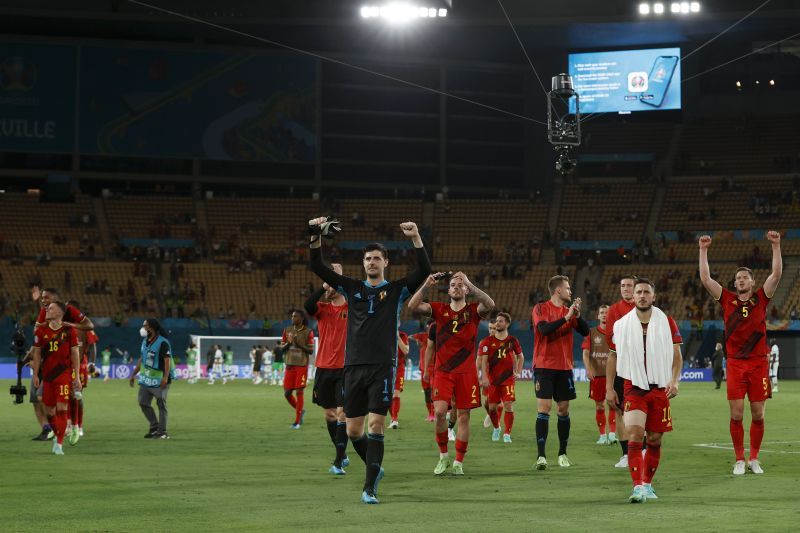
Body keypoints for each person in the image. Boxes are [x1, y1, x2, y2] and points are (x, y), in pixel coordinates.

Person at [308, 216, 430, 504]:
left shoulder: (398, 290)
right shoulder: (351, 288)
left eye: (377, 258)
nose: (372, 262)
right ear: (363, 264)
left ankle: (369, 487)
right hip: (352, 367)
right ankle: (375, 468)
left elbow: (424, 269)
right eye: (368, 259)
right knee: (353, 430)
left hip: (383, 367)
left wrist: (415, 238)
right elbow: (317, 266)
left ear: (385, 262)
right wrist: (314, 235)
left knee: (376, 424)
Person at [699, 231, 781, 475]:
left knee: (758, 414)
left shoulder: (761, 299)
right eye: (738, 278)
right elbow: (705, 278)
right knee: (736, 413)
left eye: (745, 277)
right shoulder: (727, 300)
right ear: (734, 284)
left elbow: (776, 273)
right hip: (735, 363)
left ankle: (754, 458)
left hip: (758, 363)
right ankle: (739, 459)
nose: (742, 280)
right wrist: (703, 249)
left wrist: (776, 245)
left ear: (753, 282)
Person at [408, 271, 494, 476]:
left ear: (466, 290)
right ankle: (443, 456)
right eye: (453, 284)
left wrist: (469, 283)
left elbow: (490, 304)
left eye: (460, 284)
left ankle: (458, 461)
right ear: (448, 290)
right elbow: (412, 306)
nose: (456, 286)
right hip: (443, 371)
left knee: (464, 417)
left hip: (466, 372)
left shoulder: (473, 311)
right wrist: (427, 284)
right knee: (439, 412)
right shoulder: (439, 309)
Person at [606, 278, 682, 503]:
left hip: (659, 387)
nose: (641, 295)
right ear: (634, 296)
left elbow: (677, 355)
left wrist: (674, 380)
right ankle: (637, 486)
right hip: (634, 387)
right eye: (638, 292)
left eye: (646, 292)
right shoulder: (621, 325)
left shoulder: (667, 322)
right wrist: (610, 388)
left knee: (655, 439)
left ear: (653, 296)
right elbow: (613, 356)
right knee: (635, 435)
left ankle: (648, 484)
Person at [531, 275, 590, 470]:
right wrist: (566, 317)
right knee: (544, 409)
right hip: (544, 366)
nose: (570, 291)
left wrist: (577, 315)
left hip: (564, 368)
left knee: (563, 410)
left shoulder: (570, 311)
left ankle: (562, 453)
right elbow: (544, 330)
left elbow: (586, 331)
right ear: (558, 290)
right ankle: (541, 456)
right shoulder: (540, 308)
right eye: (567, 288)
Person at [304, 265, 350, 473]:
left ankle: (339, 460)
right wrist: (325, 284)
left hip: (344, 369)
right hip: (323, 369)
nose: (328, 289)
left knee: (342, 414)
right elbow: (308, 304)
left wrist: (338, 279)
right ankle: (343, 453)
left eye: (332, 286)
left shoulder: (351, 308)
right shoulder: (322, 309)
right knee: (330, 415)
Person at [30, 301, 82, 455]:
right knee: (49, 410)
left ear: (59, 313)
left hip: (63, 375)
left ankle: (59, 443)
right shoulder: (41, 331)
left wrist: (77, 376)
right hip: (47, 376)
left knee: (61, 409)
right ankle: (57, 433)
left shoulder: (69, 331)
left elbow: (75, 354)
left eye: (51, 308)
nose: (48, 309)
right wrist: (35, 374)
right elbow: (37, 354)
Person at [605, 276, 636, 468]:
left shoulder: (645, 309)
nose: (626, 289)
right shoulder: (614, 310)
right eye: (622, 285)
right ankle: (626, 454)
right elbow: (612, 347)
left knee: (643, 410)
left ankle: (640, 449)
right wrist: (609, 387)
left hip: (643, 368)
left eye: (629, 286)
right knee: (620, 411)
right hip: (622, 368)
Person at [479, 312, 523, 443]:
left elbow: (521, 356)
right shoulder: (487, 341)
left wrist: (518, 372)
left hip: (508, 379)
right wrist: (485, 377)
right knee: (491, 408)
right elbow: (483, 361)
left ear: (507, 324)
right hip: (493, 380)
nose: (497, 323)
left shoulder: (512, 341)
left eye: (501, 321)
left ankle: (507, 434)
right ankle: (497, 428)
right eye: (497, 321)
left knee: (508, 405)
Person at [129, 318, 174, 439]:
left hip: (160, 379)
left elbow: (167, 361)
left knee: (161, 404)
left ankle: (163, 432)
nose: (142, 328)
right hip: (147, 379)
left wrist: (165, 378)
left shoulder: (163, 343)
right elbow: (141, 359)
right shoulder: (145, 341)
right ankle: (154, 427)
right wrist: (133, 374)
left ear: (152, 328)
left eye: (145, 326)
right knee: (143, 402)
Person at [582, 305, 616, 445]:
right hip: (597, 377)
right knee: (600, 406)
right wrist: (588, 368)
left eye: (607, 313)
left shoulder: (616, 333)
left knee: (613, 404)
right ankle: (602, 436)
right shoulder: (591, 333)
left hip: (613, 376)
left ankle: (613, 434)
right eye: (601, 312)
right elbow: (585, 353)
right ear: (598, 316)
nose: (604, 315)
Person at [278, 310, 314, 429]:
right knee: (287, 393)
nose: (293, 318)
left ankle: (297, 421)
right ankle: (300, 410)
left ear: (302, 318)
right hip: (289, 365)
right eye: (292, 316)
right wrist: (288, 344)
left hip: (301, 366)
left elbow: (311, 350)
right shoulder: (287, 330)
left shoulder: (308, 332)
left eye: (296, 316)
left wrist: (299, 345)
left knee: (299, 391)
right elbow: (281, 349)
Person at [68, 329, 98, 445]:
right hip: (65, 365)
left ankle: (79, 426)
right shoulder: (62, 327)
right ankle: (69, 424)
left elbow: (93, 345)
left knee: (77, 396)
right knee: (65, 396)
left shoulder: (85, 328)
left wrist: (92, 363)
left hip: (80, 365)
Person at [409, 322, 434, 421]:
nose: (429, 329)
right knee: (427, 392)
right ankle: (430, 413)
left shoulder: (438, 337)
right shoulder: (423, 336)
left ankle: (434, 413)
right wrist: (416, 340)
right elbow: (409, 337)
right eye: (428, 327)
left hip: (435, 368)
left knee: (433, 391)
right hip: (424, 369)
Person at [479, 320, 498, 429]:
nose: (492, 330)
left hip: (501, 377)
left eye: (494, 328)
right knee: (486, 403)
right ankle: (490, 414)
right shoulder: (484, 342)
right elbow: (479, 359)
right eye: (490, 328)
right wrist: (478, 374)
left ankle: (497, 425)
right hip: (488, 376)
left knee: (497, 402)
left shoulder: (506, 341)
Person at [389, 330, 409, 429]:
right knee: (387, 396)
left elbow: (406, 351)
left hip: (399, 368)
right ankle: (392, 418)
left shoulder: (403, 335)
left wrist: (397, 337)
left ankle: (395, 419)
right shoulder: (383, 333)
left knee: (396, 393)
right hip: (386, 368)